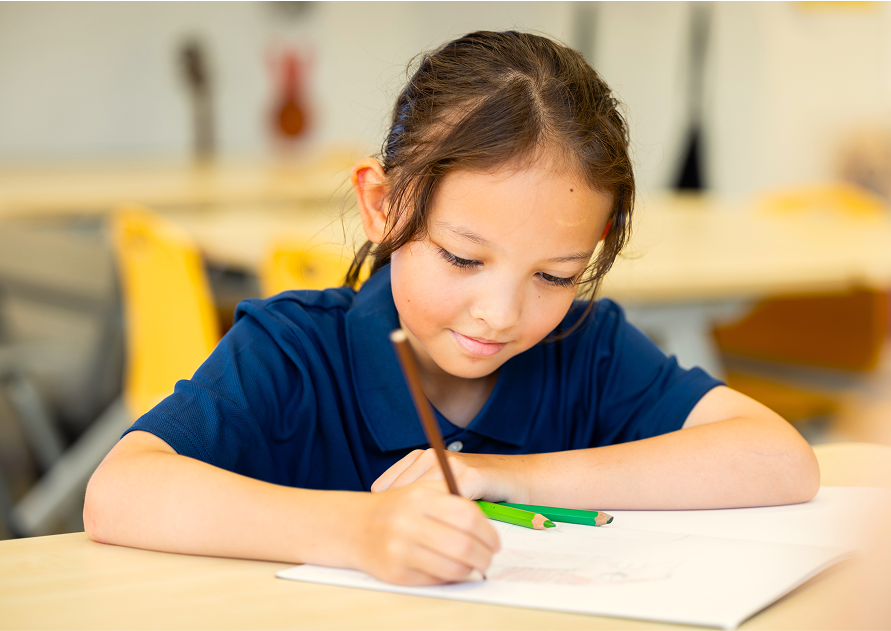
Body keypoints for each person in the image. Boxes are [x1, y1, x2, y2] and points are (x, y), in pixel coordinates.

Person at [84, 31, 819, 587]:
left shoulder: (584, 348)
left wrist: (508, 477)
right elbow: (120, 490)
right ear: (381, 204)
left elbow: (779, 460)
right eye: (463, 259)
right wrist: (362, 530)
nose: (500, 313)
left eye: (556, 275)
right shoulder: (295, 350)